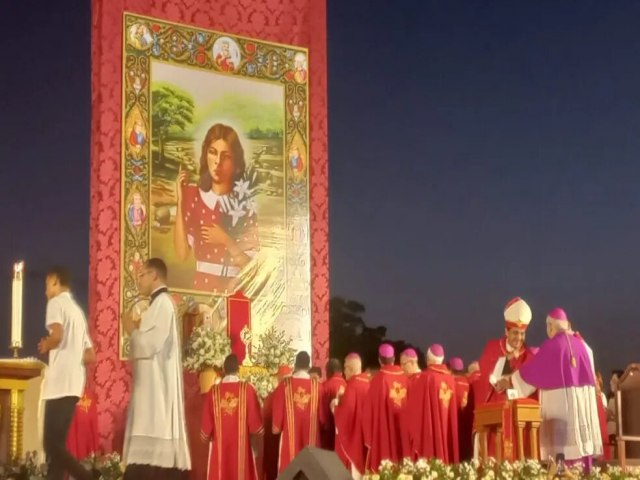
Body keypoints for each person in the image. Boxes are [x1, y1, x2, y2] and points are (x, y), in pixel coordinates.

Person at [504, 308, 603, 472]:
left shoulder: (551, 346)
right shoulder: (583, 345)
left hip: (561, 408)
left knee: (563, 450)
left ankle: (562, 472)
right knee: (580, 444)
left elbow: (532, 372)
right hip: (581, 403)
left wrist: (510, 380)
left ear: (550, 326)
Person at [121, 258, 191, 480]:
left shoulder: (163, 304)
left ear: (154, 276)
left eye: (142, 275)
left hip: (157, 395)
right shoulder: (157, 304)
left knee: (149, 464)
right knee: (147, 463)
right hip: (150, 394)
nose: (138, 279)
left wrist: (131, 329)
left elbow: (150, 344)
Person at [174, 123, 258, 294]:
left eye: (225, 156)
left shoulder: (244, 206)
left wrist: (226, 240)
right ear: (206, 155)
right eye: (213, 152)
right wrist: (180, 201)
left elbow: (253, 269)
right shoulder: (193, 197)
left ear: (235, 163)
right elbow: (182, 254)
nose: (217, 162)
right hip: (202, 291)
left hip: (235, 292)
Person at [37, 266, 98, 480]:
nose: (45, 291)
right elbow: (90, 355)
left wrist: (47, 344)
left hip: (59, 383)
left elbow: (57, 335)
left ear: (55, 280)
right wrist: (72, 353)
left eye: (47, 285)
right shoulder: (77, 312)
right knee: (58, 445)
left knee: (50, 444)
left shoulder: (56, 303)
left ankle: (85, 476)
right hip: (74, 384)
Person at [200, 354, 263, 480]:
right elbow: (255, 425)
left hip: (220, 447)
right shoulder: (247, 390)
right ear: (238, 369)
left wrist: (205, 435)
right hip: (242, 447)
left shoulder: (214, 391)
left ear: (223, 370)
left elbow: (206, 427)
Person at [477, 297, 537, 405]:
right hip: (492, 410)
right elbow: (485, 376)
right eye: (515, 333)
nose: (519, 338)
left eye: (522, 333)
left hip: (516, 415)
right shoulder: (492, 347)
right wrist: (506, 360)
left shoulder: (529, 357)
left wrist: (511, 385)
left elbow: (530, 390)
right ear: (506, 331)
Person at [271, 351, 323, 473]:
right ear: (309, 366)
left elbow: (276, 423)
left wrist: (276, 427)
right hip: (312, 438)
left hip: (290, 440)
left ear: (295, 365)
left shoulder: (284, 385)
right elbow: (323, 418)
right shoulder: (318, 387)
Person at [407, 344, 459, 464]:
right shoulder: (451, 380)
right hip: (446, 429)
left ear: (428, 359)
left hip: (429, 433)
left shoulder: (425, 378)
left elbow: (415, 410)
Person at [362, 344, 409, 473]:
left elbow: (367, 413)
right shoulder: (406, 377)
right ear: (394, 359)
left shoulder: (377, 380)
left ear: (379, 360)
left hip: (384, 436)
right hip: (404, 432)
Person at [333, 353, 370, 479]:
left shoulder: (352, 386)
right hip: (369, 439)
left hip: (357, 438)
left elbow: (346, 414)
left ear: (351, 369)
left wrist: (335, 406)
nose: (343, 372)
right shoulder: (370, 382)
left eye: (345, 368)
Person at [262, 365, 292, 480]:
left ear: (279, 378)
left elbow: (266, 418)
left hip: (273, 440)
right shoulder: (293, 393)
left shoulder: (272, 395)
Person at [450, 357, 473, 461]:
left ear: (450, 369)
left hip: (454, 421)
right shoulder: (468, 382)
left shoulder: (450, 383)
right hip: (467, 421)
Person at [320, 358, 346, 450]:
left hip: (328, 431)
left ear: (329, 371)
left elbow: (321, 412)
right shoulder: (348, 385)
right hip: (343, 431)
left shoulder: (324, 386)